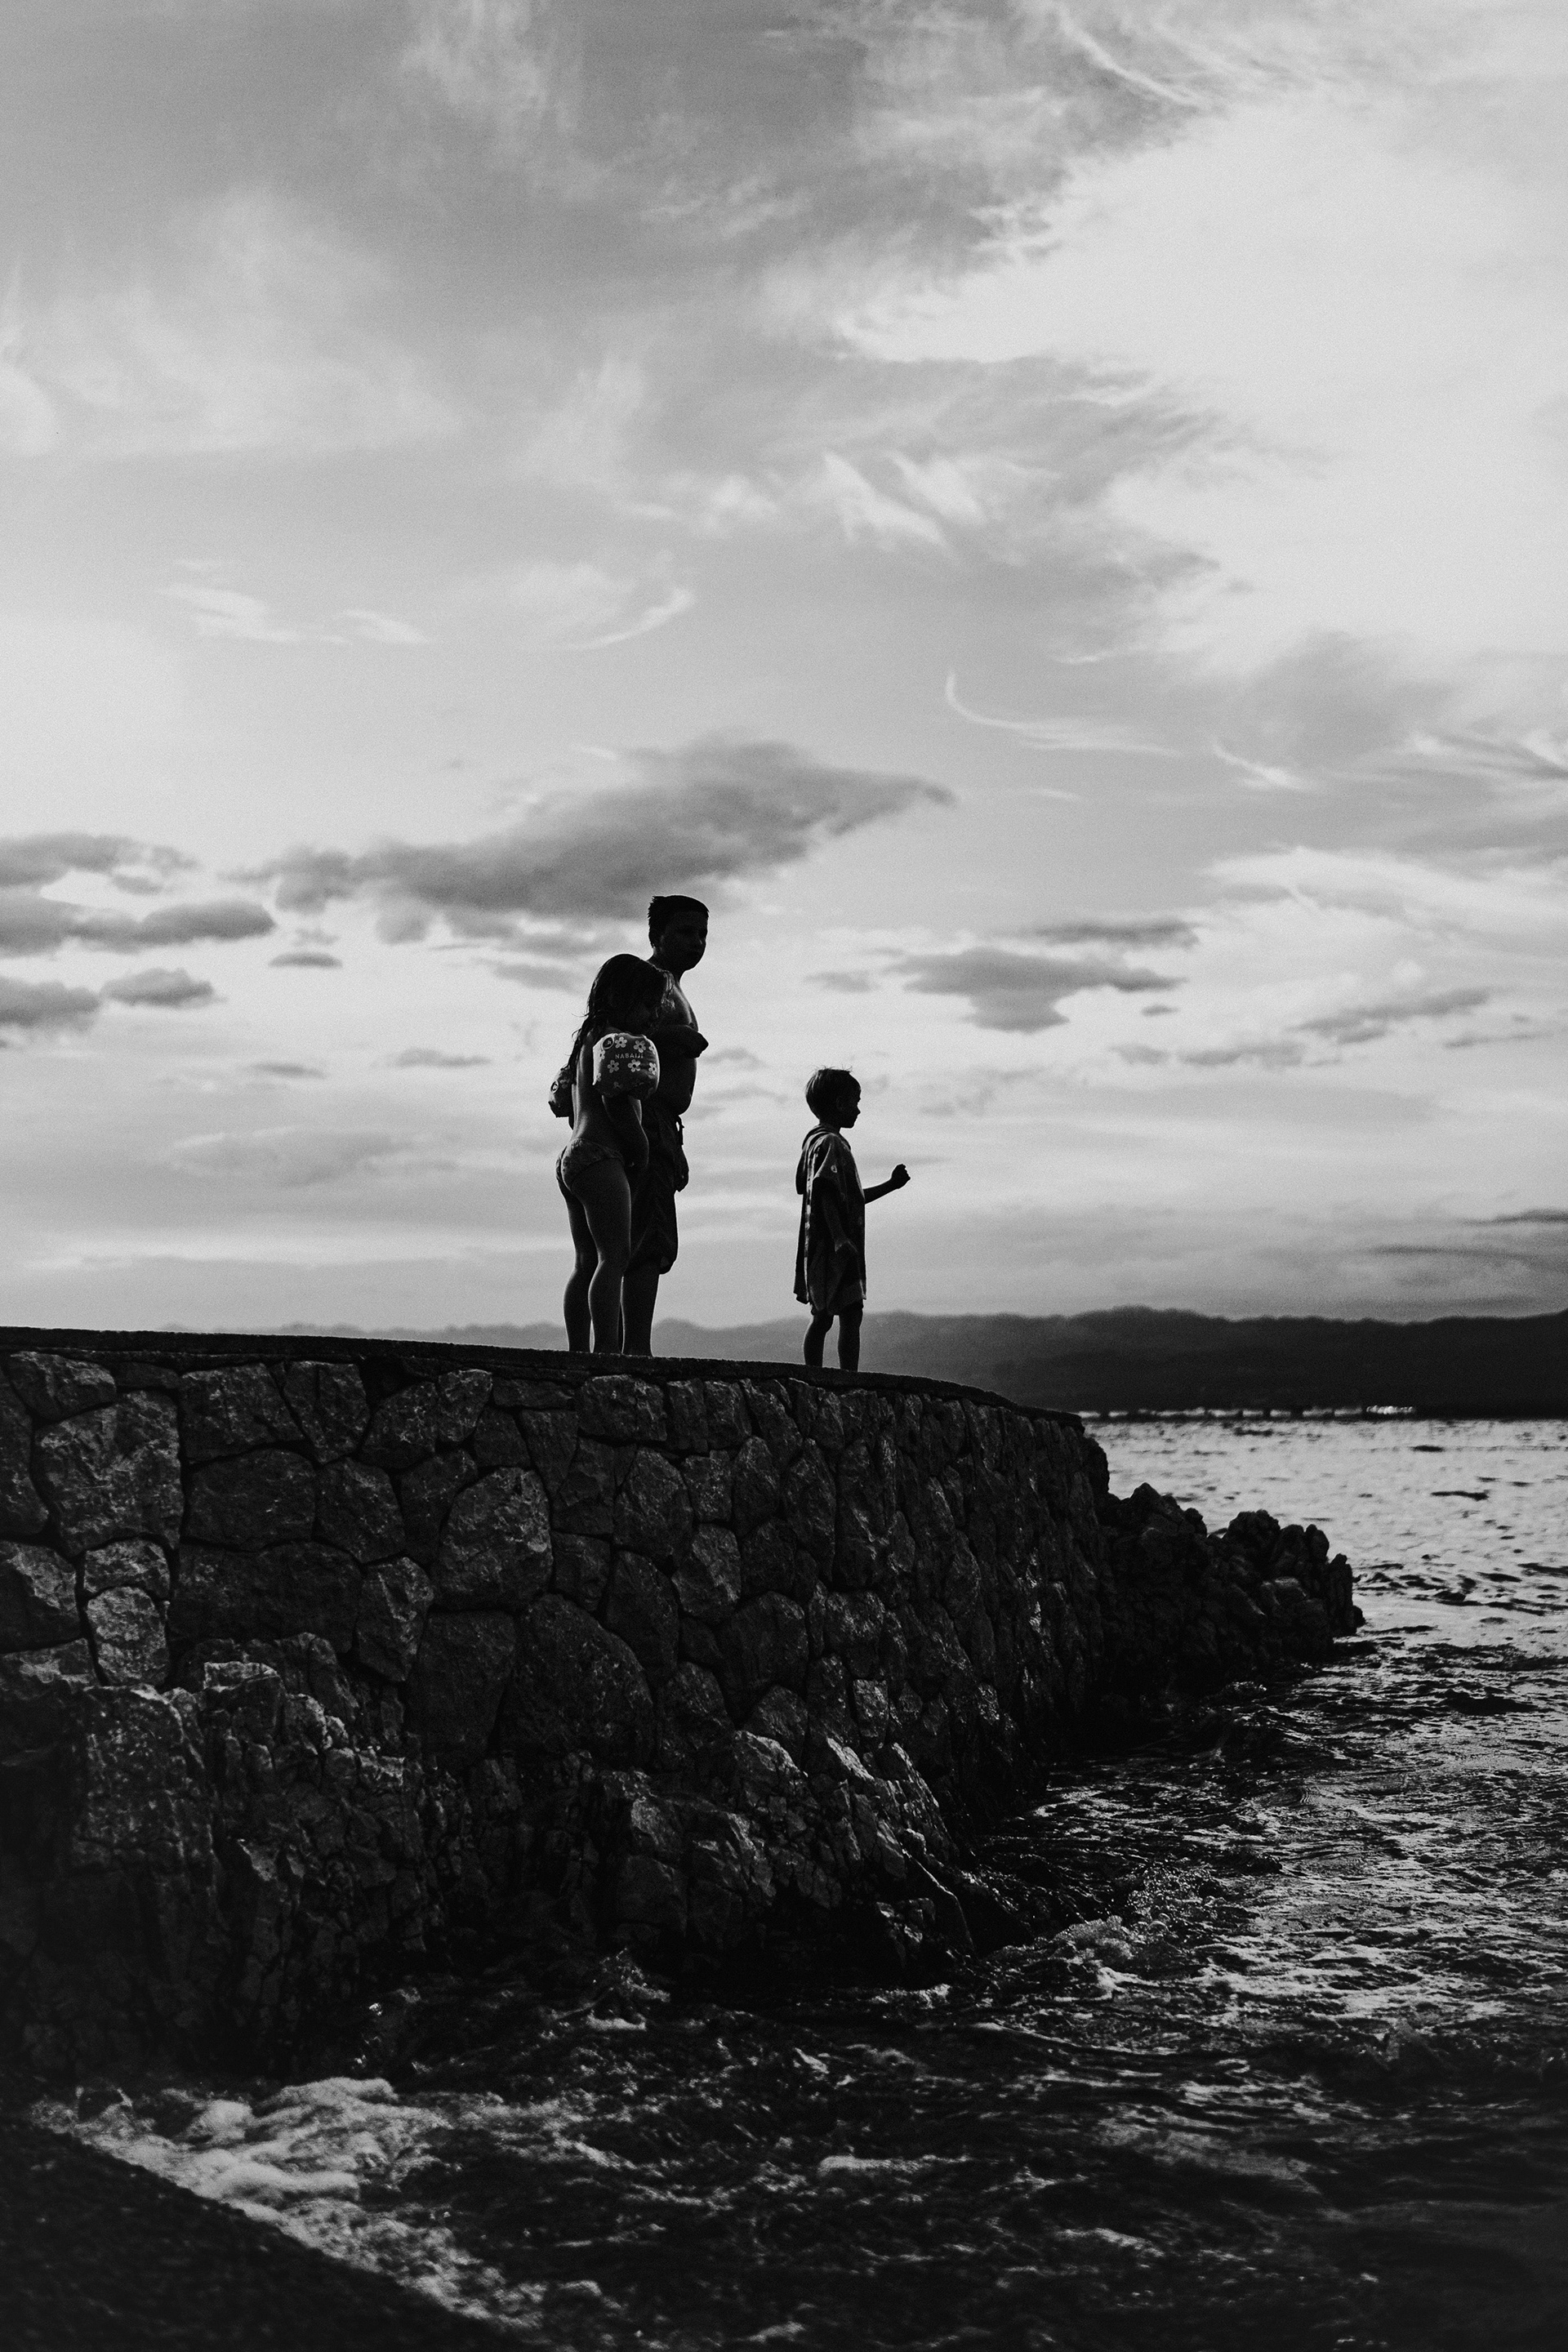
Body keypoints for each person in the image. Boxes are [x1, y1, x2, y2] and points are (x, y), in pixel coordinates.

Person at [556, 955, 666, 1355]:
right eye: (648, 1005)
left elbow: (564, 1103)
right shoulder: (617, 1042)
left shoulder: (587, 1042)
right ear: (622, 999)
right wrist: (641, 1147)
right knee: (615, 1257)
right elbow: (616, 1102)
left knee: (585, 1262)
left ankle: (578, 1351)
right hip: (603, 1157)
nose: (654, 1015)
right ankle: (606, 1351)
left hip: (574, 1157)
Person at [622, 894, 710, 1356]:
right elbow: (617, 1037)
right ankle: (636, 1350)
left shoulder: (672, 986)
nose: (697, 942)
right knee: (647, 1239)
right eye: (685, 932)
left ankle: (628, 1346)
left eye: (702, 934)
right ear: (656, 935)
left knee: (642, 1237)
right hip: (645, 1118)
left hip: (663, 1123)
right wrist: (672, 1037)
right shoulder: (649, 982)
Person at [794, 1067, 909, 1372]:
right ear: (839, 1103)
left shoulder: (812, 1144)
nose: (858, 1110)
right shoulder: (831, 1143)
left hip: (822, 1247)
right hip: (833, 1248)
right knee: (841, 1314)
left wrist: (891, 1185)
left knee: (831, 1314)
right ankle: (844, 1377)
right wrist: (839, 1237)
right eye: (855, 1102)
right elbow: (824, 1190)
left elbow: (847, 1197)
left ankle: (820, 1374)